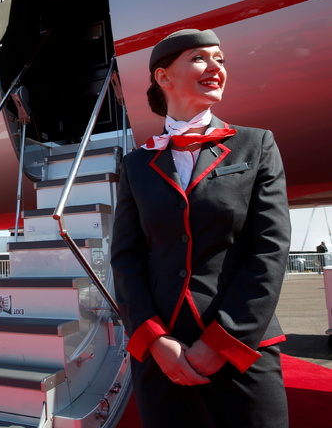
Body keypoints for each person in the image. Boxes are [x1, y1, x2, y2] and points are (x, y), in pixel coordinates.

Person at [110, 29, 291, 427]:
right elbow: (126, 258)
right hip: (163, 356)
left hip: (242, 348)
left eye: (220, 60)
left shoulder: (256, 146)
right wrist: (155, 340)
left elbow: (269, 251)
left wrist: (222, 341)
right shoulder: (137, 165)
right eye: (200, 58)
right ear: (163, 77)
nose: (216, 68)